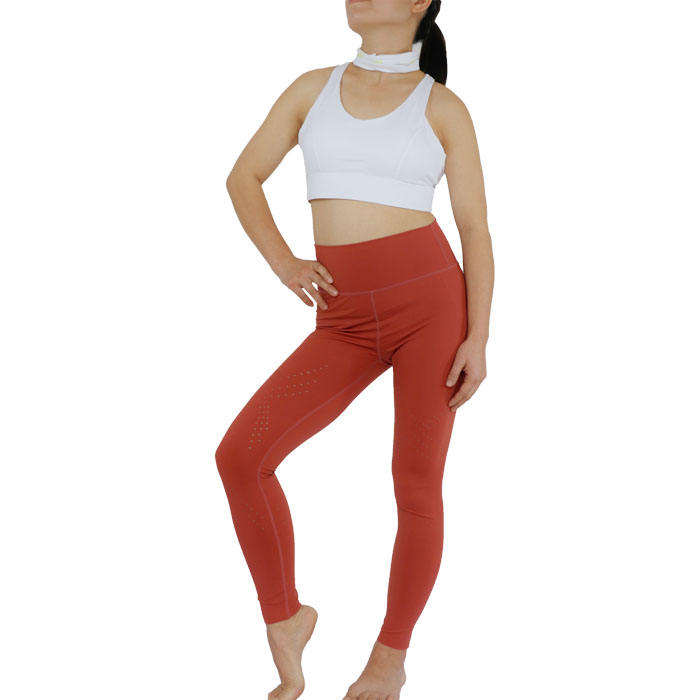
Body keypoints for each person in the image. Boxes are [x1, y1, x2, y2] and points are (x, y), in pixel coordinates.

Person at [215, 1, 494, 697]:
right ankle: (286, 620)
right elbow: (243, 178)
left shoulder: (443, 107)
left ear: (420, 2)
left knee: (415, 483)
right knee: (242, 455)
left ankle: (389, 658)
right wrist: (284, 263)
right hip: (342, 318)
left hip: (431, 310)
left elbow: (475, 229)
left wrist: (478, 336)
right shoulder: (312, 88)